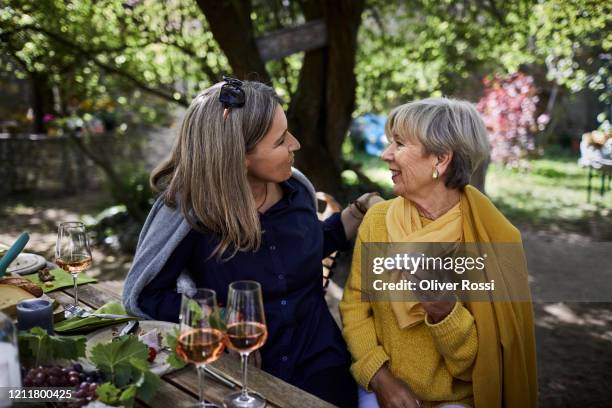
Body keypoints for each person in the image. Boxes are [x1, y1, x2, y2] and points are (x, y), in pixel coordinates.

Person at [122, 78, 381, 407]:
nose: (296, 145)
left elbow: (311, 245)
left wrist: (356, 213)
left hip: (321, 360)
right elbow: (146, 295)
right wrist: (218, 319)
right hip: (240, 375)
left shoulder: (297, 189)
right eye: (281, 141)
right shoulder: (191, 212)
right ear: (240, 156)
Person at [340, 98, 538, 408]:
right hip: (383, 386)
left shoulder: (489, 239)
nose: (385, 154)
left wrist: (445, 313)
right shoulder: (378, 222)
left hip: (455, 399)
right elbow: (354, 309)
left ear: (441, 160)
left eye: (400, 144)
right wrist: (380, 377)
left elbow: (481, 367)